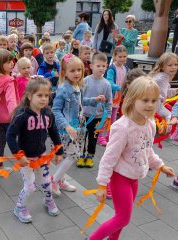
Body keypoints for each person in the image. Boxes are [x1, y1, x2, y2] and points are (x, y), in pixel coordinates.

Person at [79, 76, 175, 240]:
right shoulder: (122, 127)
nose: (150, 105)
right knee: (123, 217)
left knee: (123, 216)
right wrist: (101, 184)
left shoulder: (149, 124)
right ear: (132, 99)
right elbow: (109, 158)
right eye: (145, 100)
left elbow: (147, 150)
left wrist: (161, 166)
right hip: (120, 178)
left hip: (135, 177)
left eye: (154, 100)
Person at [7, 77, 64, 221]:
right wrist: (18, 155)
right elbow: (10, 135)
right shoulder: (21, 116)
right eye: (40, 95)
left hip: (41, 157)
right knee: (30, 186)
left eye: (46, 96)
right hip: (25, 159)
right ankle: (19, 207)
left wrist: (59, 151)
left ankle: (48, 200)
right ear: (29, 95)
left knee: (46, 182)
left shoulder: (48, 113)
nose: (44, 99)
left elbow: (53, 131)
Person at [52, 54, 105, 196]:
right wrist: (66, 126)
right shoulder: (64, 89)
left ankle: (60, 180)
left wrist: (94, 100)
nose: (76, 73)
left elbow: (81, 102)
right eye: (72, 70)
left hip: (76, 128)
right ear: (64, 72)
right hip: (65, 130)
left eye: (79, 70)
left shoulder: (77, 86)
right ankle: (54, 180)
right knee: (73, 156)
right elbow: (55, 110)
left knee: (65, 156)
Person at [77, 53, 112, 169]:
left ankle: (90, 156)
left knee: (93, 138)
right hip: (84, 115)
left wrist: (108, 115)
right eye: (98, 66)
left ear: (106, 66)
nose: (101, 68)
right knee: (81, 136)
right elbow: (80, 98)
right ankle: (81, 155)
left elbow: (109, 101)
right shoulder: (85, 81)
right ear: (91, 66)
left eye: (103, 66)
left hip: (97, 117)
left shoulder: (107, 84)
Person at [0, 49, 19, 174]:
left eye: (12, 61)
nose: (12, 63)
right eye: (8, 62)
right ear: (0, 64)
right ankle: (24, 163)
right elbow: (11, 100)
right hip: (8, 117)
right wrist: (16, 115)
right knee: (15, 140)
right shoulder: (9, 81)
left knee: (1, 142)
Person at [98, 46, 129, 147]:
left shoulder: (126, 68)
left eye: (124, 56)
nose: (123, 59)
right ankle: (100, 136)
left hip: (118, 98)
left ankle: (109, 135)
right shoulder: (112, 68)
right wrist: (120, 87)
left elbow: (128, 80)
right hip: (110, 97)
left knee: (113, 117)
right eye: (120, 56)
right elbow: (109, 82)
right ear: (115, 56)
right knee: (106, 116)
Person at [149, 52, 178, 121]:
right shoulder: (162, 78)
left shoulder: (163, 76)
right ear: (162, 66)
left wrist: (176, 90)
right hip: (155, 105)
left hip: (156, 104)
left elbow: (165, 91)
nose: (173, 67)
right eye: (170, 65)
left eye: (176, 64)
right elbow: (164, 94)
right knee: (170, 116)